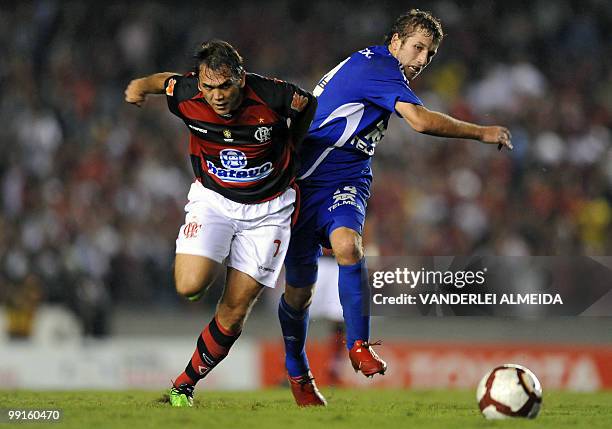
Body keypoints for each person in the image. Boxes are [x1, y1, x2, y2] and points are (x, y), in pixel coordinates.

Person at [278, 9, 513, 406]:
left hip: (347, 177)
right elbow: (419, 122)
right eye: (418, 48)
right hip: (303, 182)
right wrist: (482, 131)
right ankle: (299, 374)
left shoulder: (378, 66)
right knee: (299, 293)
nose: (422, 60)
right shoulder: (380, 67)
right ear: (395, 42)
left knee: (349, 247)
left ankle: (358, 346)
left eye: (431, 54)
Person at [124, 39, 316, 407]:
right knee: (189, 286)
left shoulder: (274, 96)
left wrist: (293, 142)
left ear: (241, 79)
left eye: (225, 86)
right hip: (214, 201)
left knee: (233, 311)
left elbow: (308, 104)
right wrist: (138, 86)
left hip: (269, 211)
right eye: (209, 87)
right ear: (199, 82)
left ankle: (183, 387)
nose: (218, 96)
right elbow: (163, 81)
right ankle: (212, 261)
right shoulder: (185, 93)